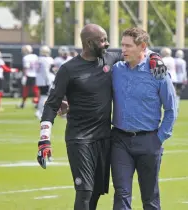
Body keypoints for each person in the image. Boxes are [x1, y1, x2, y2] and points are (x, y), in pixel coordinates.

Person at [36, 24, 167, 210]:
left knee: (96, 191)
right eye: (102, 40)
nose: (107, 44)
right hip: (80, 139)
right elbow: (51, 105)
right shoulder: (68, 69)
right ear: (89, 43)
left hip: (105, 138)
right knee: (85, 191)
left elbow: (139, 48)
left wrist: (155, 57)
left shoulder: (110, 59)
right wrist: (44, 140)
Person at [111, 27, 177, 210]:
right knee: (121, 194)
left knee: (150, 198)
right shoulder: (116, 70)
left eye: (128, 46)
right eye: (122, 45)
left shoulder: (158, 72)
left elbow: (171, 108)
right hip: (120, 141)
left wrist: (159, 138)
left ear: (142, 47)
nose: (123, 50)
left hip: (149, 141)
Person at [35, 45, 55, 120]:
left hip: (40, 80)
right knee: (44, 96)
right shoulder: (47, 59)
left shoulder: (38, 59)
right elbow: (46, 71)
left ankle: (40, 111)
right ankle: (40, 112)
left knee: (43, 96)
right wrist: (48, 80)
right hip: (45, 80)